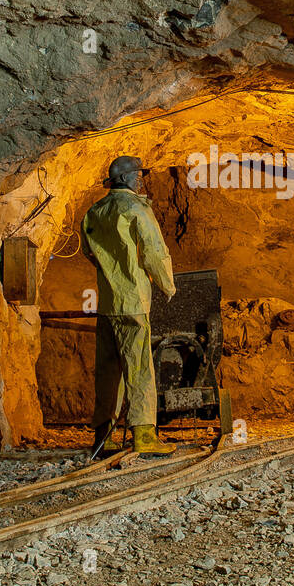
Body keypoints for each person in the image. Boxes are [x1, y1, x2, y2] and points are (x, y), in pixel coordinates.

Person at [80, 155, 178, 457]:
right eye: (138, 175)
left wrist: (110, 271)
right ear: (125, 178)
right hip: (133, 300)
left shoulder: (94, 211)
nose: (141, 180)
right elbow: (153, 250)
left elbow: (88, 251)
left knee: (108, 370)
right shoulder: (136, 208)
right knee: (138, 367)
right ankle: (144, 434)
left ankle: (103, 436)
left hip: (108, 301)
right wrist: (167, 285)